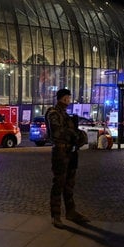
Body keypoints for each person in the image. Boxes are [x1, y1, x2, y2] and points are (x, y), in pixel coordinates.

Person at [45, 88, 89, 229]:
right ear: (63, 98)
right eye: (68, 98)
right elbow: (58, 132)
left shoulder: (66, 115)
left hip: (71, 152)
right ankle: (56, 216)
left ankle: (71, 212)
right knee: (59, 183)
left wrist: (80, 135)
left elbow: (74, 132)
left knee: (69, 184)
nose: (69, 101)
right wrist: (75, 134)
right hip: (60, 153)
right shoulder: (53, 113)